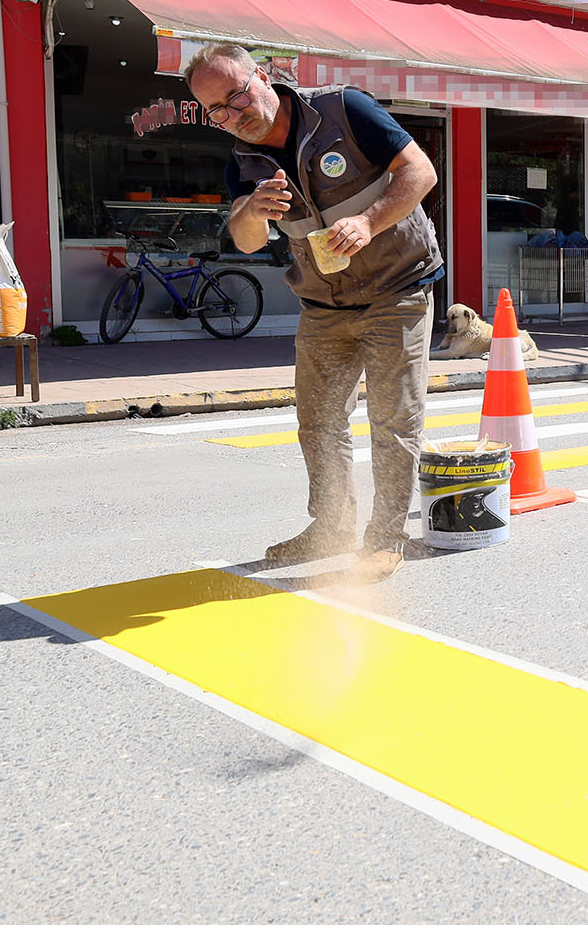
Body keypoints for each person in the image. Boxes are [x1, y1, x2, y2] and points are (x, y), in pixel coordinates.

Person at [187, 44, 443, 581]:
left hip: (398, 289)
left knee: (393, 420)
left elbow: (420, 172)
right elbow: (248, 241)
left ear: (263, 75)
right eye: (218, 111)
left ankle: (386, 536)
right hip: (324, 303)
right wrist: (252, 212)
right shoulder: (244, 160)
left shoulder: (343, 110)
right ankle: (330, 526)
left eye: (237, 95)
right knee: (319, 420)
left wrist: (369, 223)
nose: (235, 115)